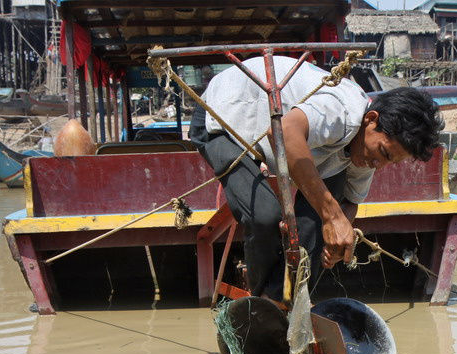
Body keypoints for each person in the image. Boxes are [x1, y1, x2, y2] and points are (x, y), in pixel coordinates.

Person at [190, 56, 443, 301]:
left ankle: (282, 299)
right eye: (384, 153)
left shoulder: (368, 151)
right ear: (371, 119)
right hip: (222, 118)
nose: (379, 165)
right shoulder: (341, 111)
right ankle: (261, 304)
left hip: (269, 133)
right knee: (265, 216)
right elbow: (284, 133)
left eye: (391, 162)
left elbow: (349, 203)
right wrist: (332, 217)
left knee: (318, 227)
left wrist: (336, 242)